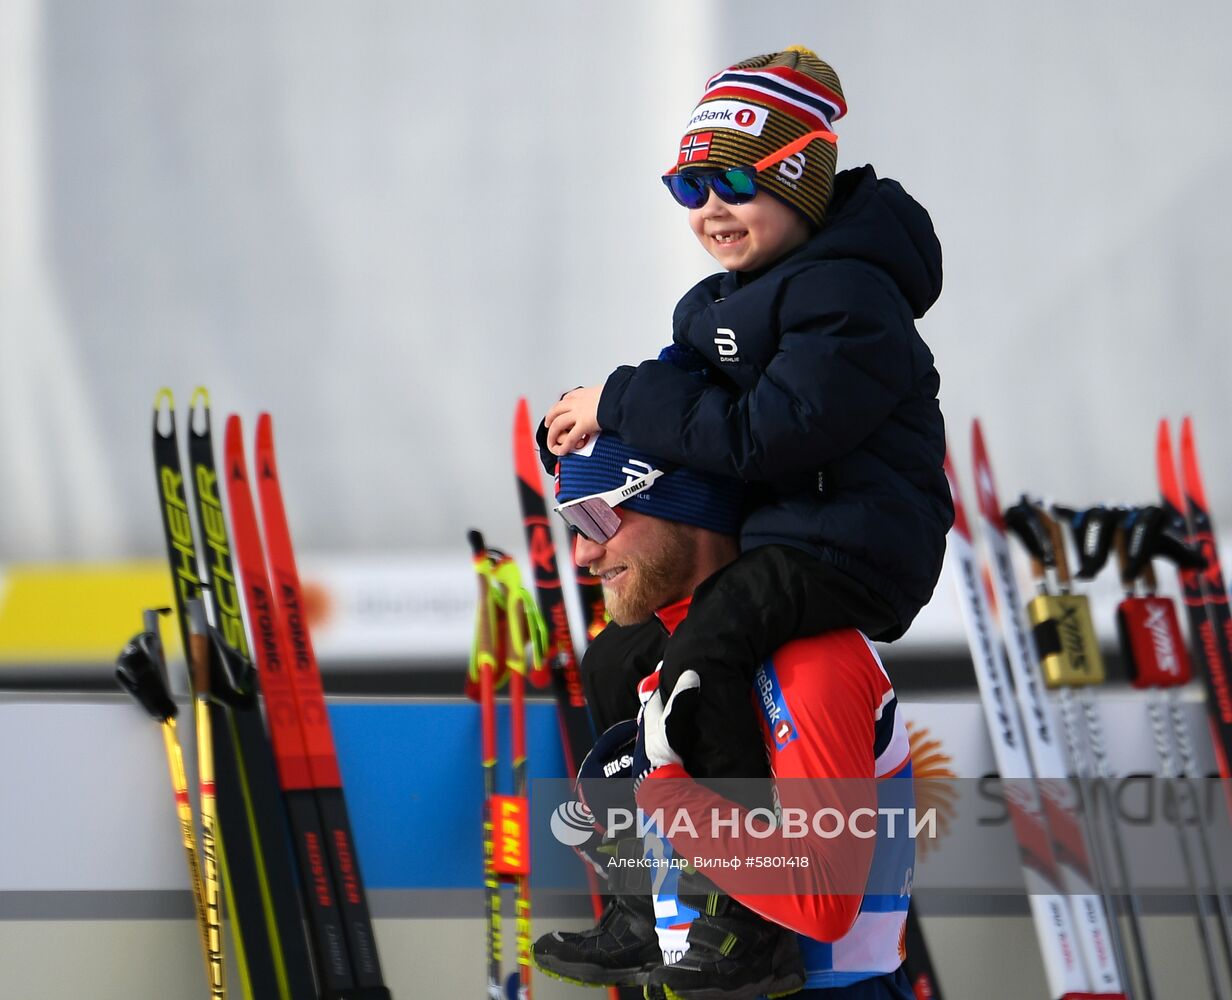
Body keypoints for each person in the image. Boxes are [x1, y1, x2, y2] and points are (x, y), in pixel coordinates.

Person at [539, 44, 953, 792]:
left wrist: (621, 400)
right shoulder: (722, 301)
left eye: (733, 181)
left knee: (707, 648)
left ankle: (745, 880)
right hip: (775, 534)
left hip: (852, 541)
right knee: (616, 657)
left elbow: (762, 434)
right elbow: (679, 386)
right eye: (688, 188)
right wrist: (589, 435)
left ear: (802, 181)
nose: (709, 209)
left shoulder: (853, 300)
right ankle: (643, 892)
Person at [533, 432, 917, 1000]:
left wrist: (666, 797)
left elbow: (824, 898)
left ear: (682, 507)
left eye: (599, 517)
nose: (583, 553)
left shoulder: (808, 659)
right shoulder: (661, 650)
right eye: (573, 524)